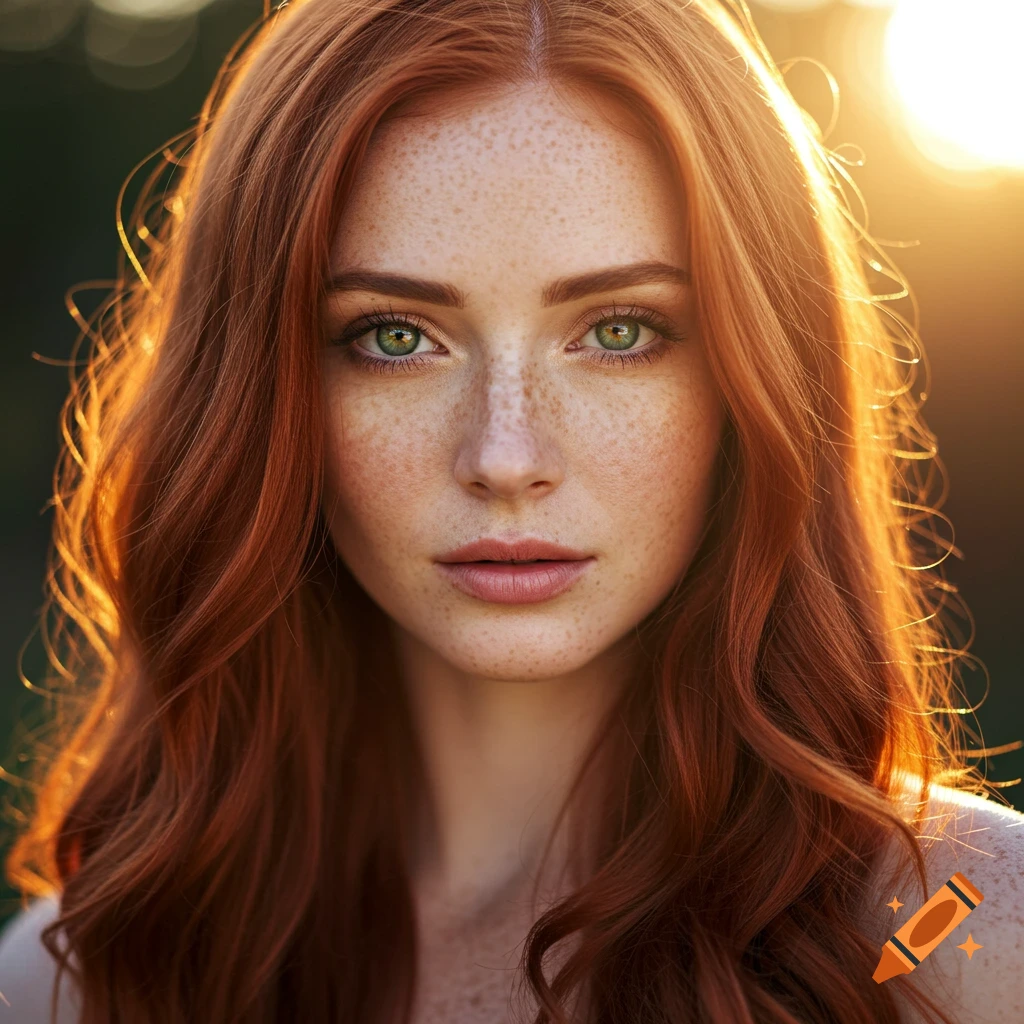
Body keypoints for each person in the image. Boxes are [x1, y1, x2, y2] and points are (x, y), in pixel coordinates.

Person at [0, 1, 1021, 1022]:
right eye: (394, 337)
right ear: (262, 396)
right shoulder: (81, 979)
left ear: (755, 376)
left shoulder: (965, 935)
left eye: (619, 329)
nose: (505, 456)